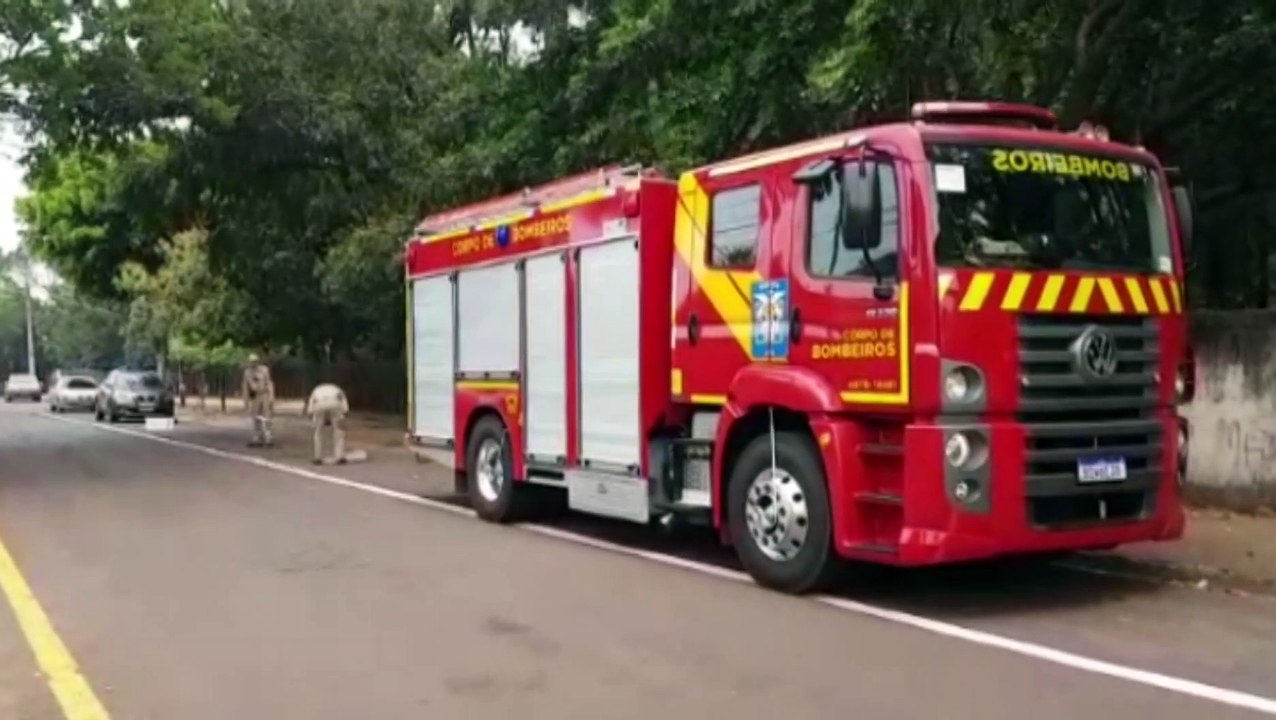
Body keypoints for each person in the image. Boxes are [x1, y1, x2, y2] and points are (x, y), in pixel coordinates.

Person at [306, 382, 349, 465]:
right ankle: (339, 457)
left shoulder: (317, 389)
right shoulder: (337, 389)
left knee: (318, 432)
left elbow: (311, 407)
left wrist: (312, 415)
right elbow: (344, 405)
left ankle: (317, 457)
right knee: (338, 431)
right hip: (335, 402)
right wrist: (343, 414)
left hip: (319, 402)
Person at [241, 353, 275, 447]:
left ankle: (268, 437)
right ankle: (257, 437)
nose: (253, 364)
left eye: (255, 362)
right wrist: (246, 401)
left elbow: (269, 382)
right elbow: (245, 386)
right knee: (255, 416)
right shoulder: (247, 372)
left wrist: (271, 396)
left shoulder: (264, 370)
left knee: (266, 416)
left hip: (264, 394)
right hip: (255, 395)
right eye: (251, 362)